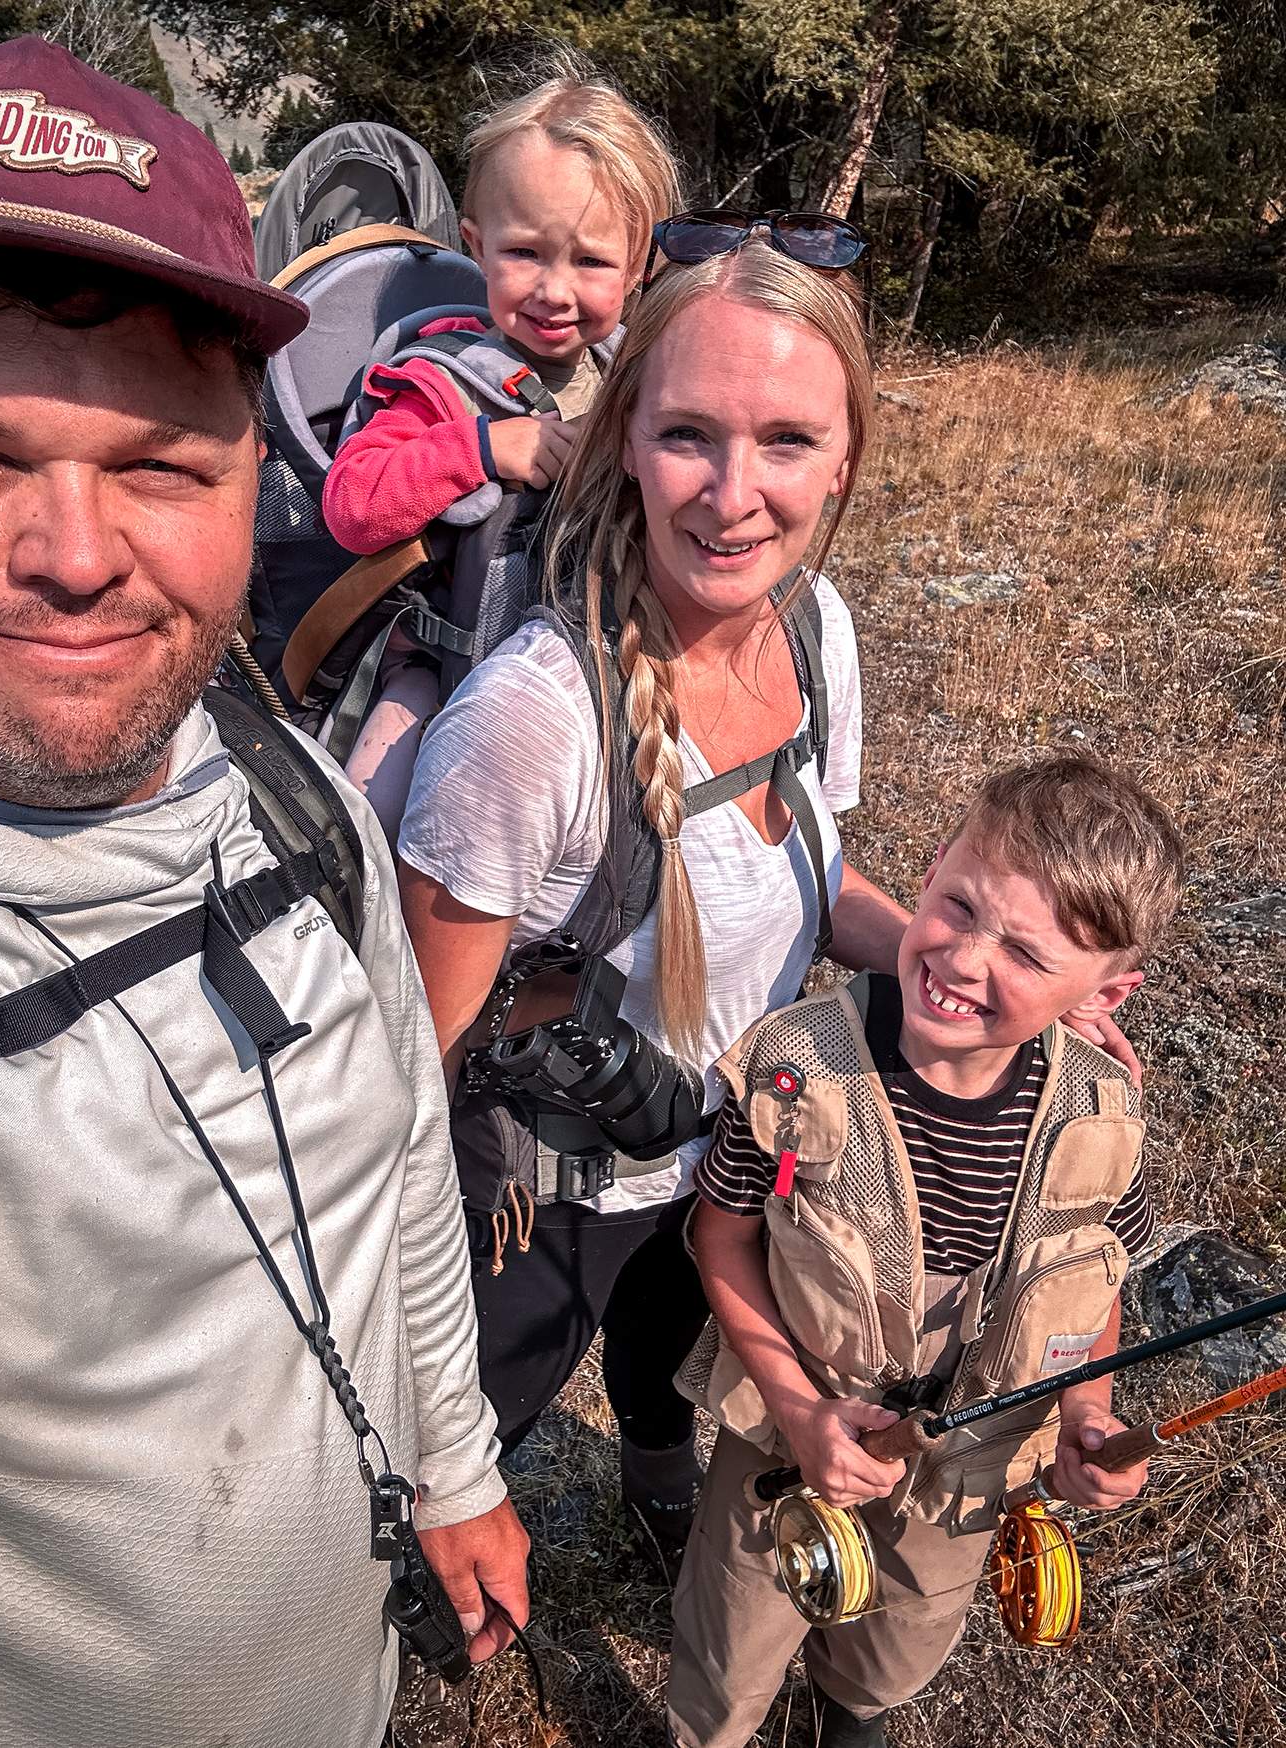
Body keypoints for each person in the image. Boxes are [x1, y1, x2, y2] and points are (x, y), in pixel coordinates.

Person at [0, 36, 525, 1748]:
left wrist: (454, 1461)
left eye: (160, 465)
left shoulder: (297, 792)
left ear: (248, 484)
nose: (78, 552)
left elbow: (392, 1169)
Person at [397, 225, 913, 1561]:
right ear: (622, 436)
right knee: (449, 1444)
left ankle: (653, 1461)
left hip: (724, 1139)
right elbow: (413, 1063)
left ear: (847, 455)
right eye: (689, 434)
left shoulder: (819, 630)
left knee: (667, 1339)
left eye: (789, 442)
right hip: (538, 1195)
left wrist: (948, 965)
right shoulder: (531, 724)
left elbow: (810, 873)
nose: (734, 495)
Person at [668, 752, 1186, 1748]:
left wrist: (1085, 1410)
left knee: (896, 1643)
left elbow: (1094, 1283)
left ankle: (849, 1719)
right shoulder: (795, 1068)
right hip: (791, 1436)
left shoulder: (1102, 1114)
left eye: (1027, 956)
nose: (962, 959)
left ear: (1107, 992)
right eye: (958, 906)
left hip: (973, 1470)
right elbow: (720, 1239)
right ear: (936, 861)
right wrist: (797, 1407)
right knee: (730, 1639)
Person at [322, 70, 681, 838]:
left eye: (590, 262)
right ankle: (360, 920)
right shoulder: (434, 385)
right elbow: (353, 506)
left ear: (641, 266)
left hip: (598, 653)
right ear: (475, 246)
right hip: (446, 667)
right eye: (524, 253)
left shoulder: (630, 377)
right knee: (372, 812)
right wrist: (482, 448)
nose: (554, 290)